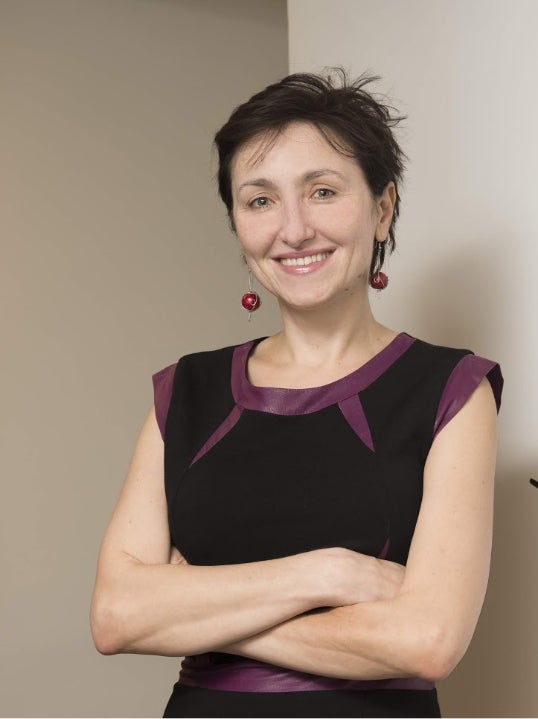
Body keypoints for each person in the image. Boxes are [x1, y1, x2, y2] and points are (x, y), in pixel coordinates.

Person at [89, 70, 501, 717]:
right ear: (236, 221)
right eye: (259, 200)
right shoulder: (186, 391)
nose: (294, 228)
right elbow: (115, 616)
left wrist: (190, 604)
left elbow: (428, 641)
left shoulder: (451, 389)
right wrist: (326, 573)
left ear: (382, 206)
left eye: (323, 191)